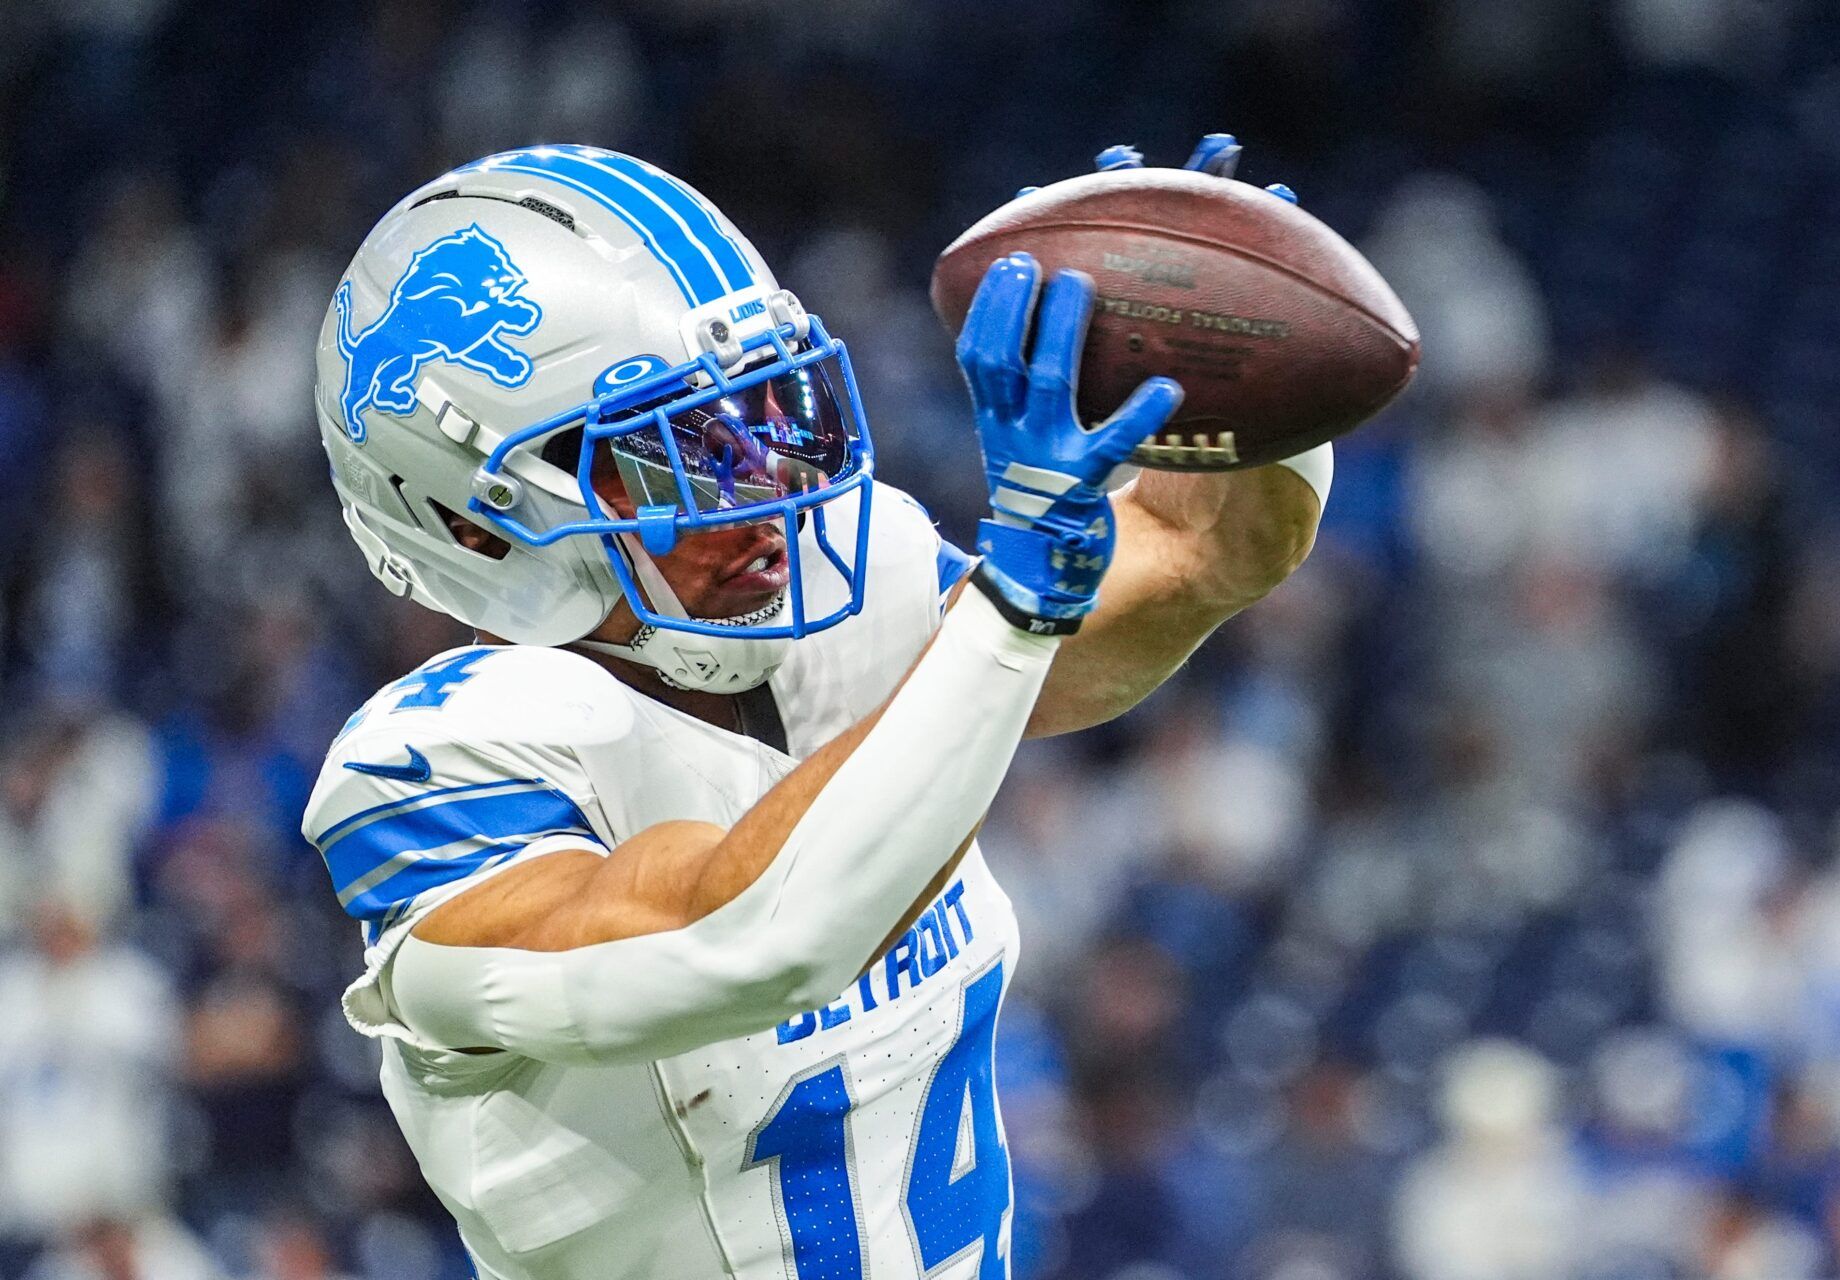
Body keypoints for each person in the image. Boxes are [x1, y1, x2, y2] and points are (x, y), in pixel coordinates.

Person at [301, 137, 1330, 1280]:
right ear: (479, 521)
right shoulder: (429, 769)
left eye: (760, 417)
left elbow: (1198, 552)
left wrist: (1242, 380)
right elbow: (751, 941)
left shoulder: (858, 593)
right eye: (676, 454)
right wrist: (1013, 601)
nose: (768, 491)